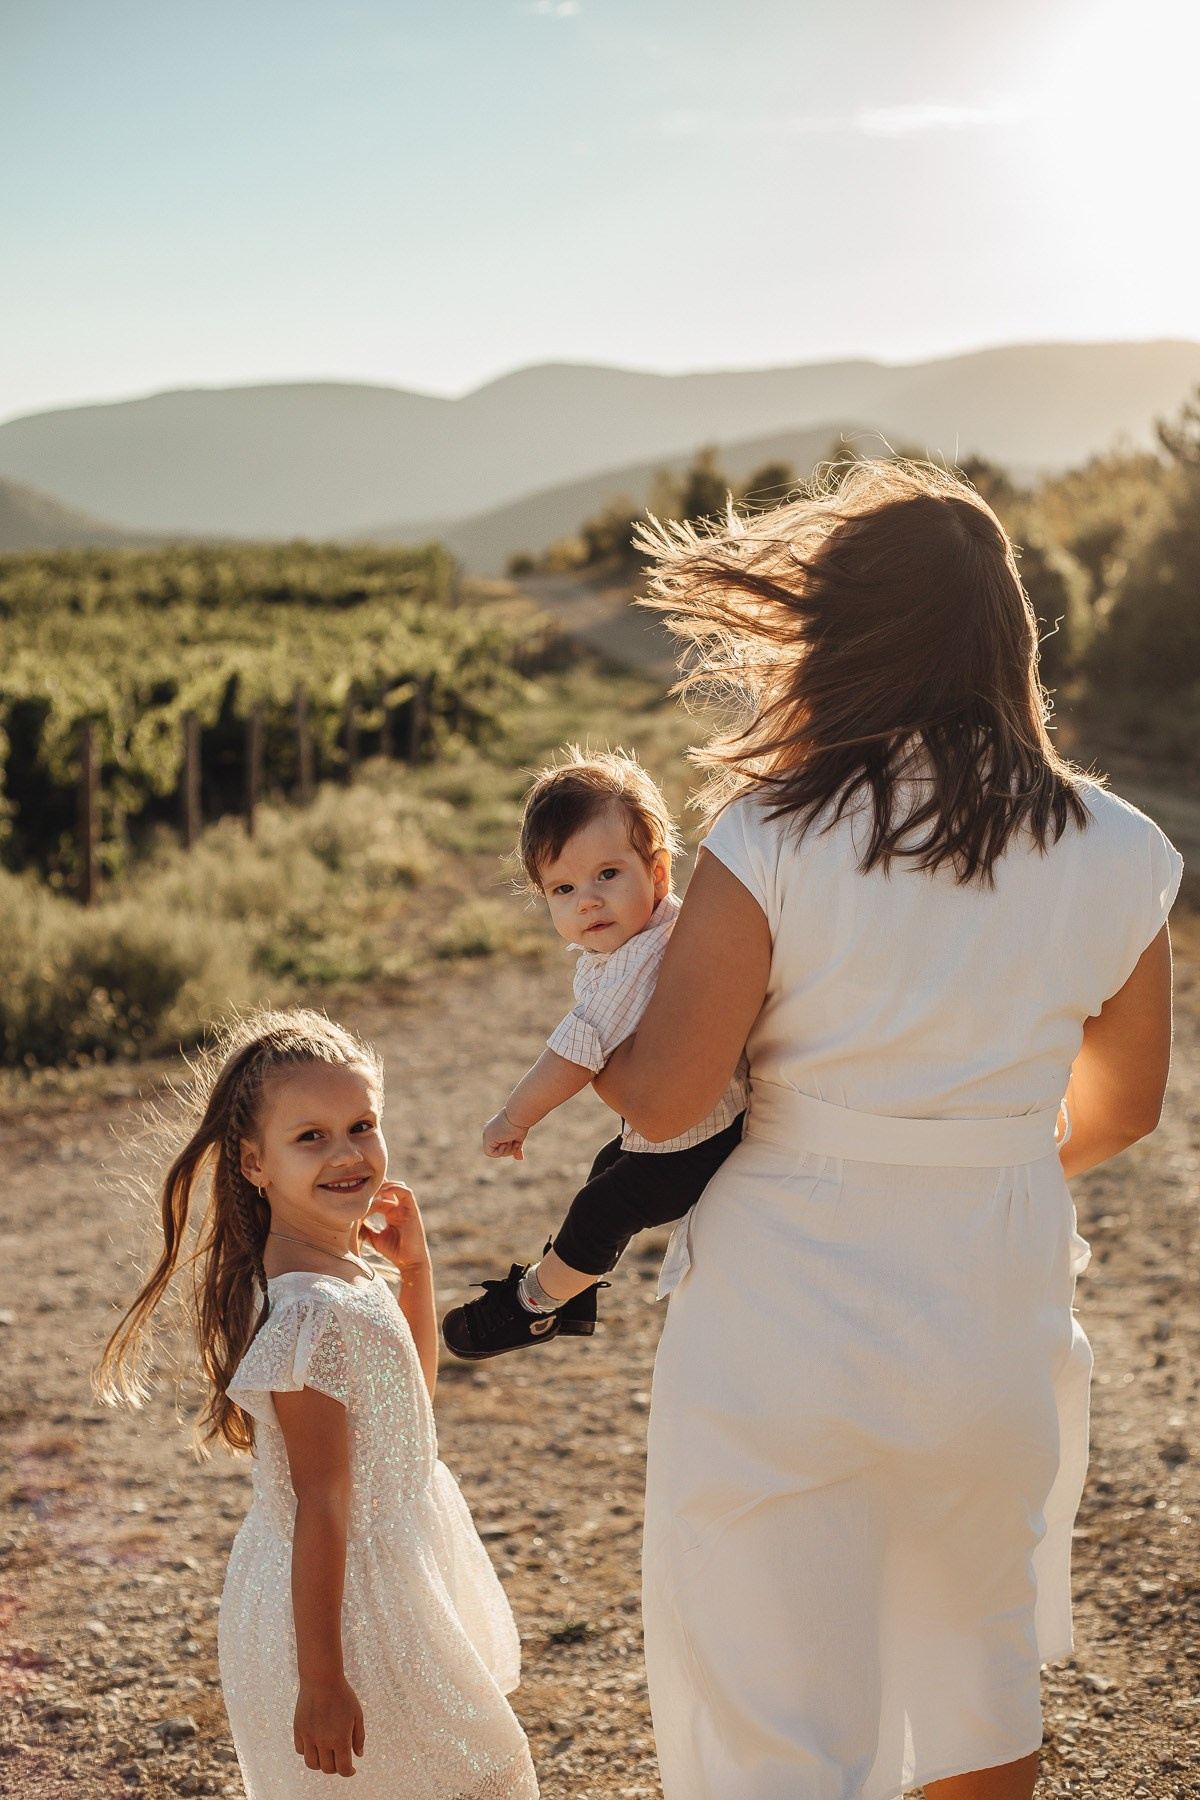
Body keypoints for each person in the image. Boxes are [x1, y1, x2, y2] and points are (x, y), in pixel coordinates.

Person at [594, 461, 1182, 1800]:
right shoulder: (1120, 846)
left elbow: (673, 1097)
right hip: (992, 1300)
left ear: (845, 639)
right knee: (974, 1667)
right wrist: (973, 1161)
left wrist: (605, 1016)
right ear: (1007, 635)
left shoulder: (775, 833)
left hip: (783, 1316)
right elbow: (1127, 1105)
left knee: (776, 1709)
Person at [96, 1009, 538, 1799]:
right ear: (253, 1161)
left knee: (462, 1773)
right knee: (463, 1778)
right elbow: (321, 1505)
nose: (347, 1154)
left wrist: (417, 1273)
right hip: (344, 1608)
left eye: (361, 1125)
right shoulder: (307, 1311)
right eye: (312, 1138)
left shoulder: (343, 1276)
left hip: (386, 1575)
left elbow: (411, 1414)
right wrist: (323, 1680)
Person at [441, 751, 746, 1359]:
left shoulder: (638, 962)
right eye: (564, 887)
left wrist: (516, 1117)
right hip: (689, 1122)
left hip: (702, 1138)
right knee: (607, 1166)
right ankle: (575, 1288)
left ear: (657, 874)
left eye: (608, 874)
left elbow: (571, 1057)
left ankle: (531, 1304)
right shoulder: (663, 926)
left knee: (605, 1204)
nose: (587, 900)